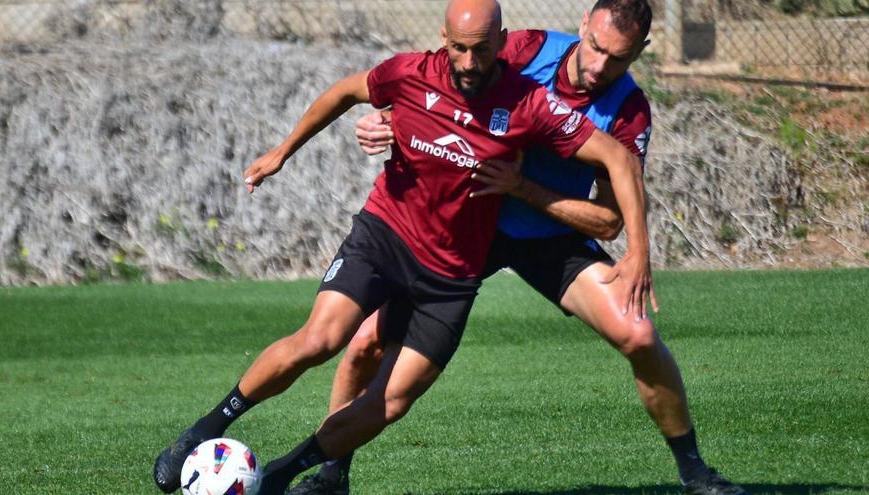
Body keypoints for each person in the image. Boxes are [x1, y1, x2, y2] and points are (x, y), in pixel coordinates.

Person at [151, 0, 654, 493]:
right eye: (458, 48)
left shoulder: (529, 104)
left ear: (502, 43)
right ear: (443, 39)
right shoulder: (409, 74)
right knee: (321, 341)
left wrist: (638, 252)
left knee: (390, 402)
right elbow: (346, 92)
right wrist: (283, 151)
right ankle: (205, 428)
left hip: (451, 278)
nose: (469, 63)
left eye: (481, 50)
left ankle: (279, 477)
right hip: (385, 237)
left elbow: (618, 159)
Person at [286, 1, 750, 495]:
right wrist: (386, 122)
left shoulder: (629, 111)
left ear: (641, 52)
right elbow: (433, 81)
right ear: (582, 27)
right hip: (467, 228)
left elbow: (609, 220)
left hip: (552, 238)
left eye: (619, 58)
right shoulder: (525, 50)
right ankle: (331, 474)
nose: (599, 67)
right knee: (365, 343)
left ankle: (695, 473)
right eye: (595, 47)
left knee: (638, 336)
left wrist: (531, 193)